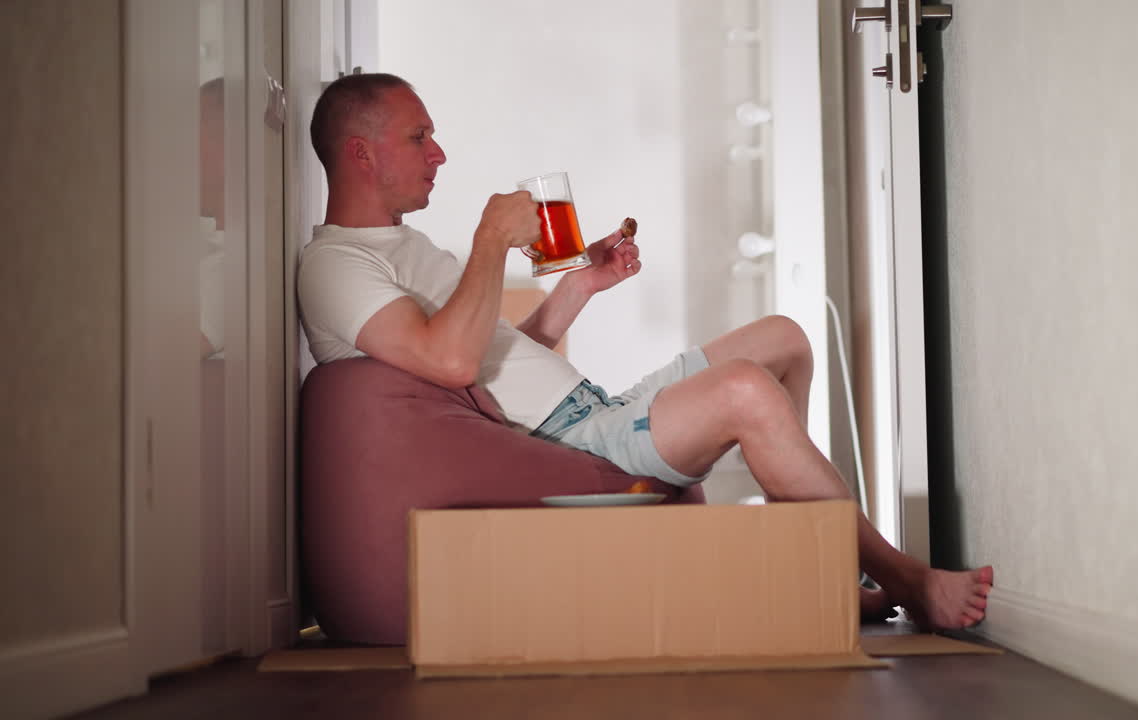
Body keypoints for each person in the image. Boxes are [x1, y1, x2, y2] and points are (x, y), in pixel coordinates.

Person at [297, 72, 993, 630]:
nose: (439, 154)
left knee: (783, 339)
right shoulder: (337, 266)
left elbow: (490, 361)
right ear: (361, 153)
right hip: (573, 440)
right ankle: (908, 580)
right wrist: (490, 240)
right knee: (746, 389)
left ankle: (816, 570)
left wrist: (581, 286)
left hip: (593, 409)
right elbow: (450, 365)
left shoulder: (408, 246)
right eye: (419, 137)